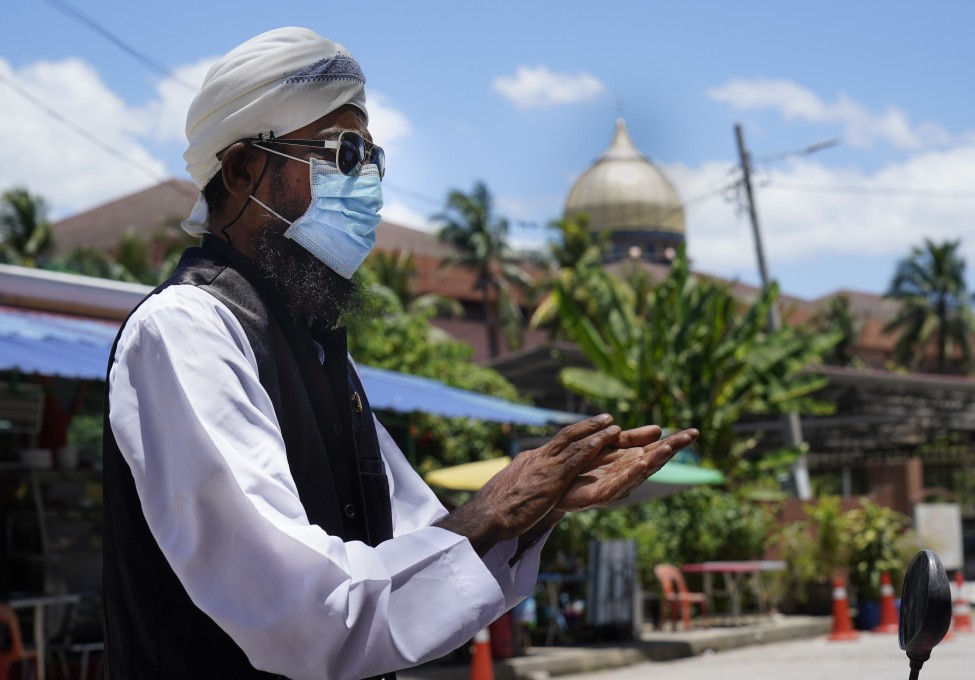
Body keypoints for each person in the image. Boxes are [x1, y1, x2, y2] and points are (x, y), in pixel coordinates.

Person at [102, 27, 698, 680]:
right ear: (244, 168)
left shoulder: (318, 349)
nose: (367, 188)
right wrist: (494, 507)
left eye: (371, 159)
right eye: (343, 155)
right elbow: (300, 607)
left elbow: (415, 549)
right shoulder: (186, 329)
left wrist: (546, 499)